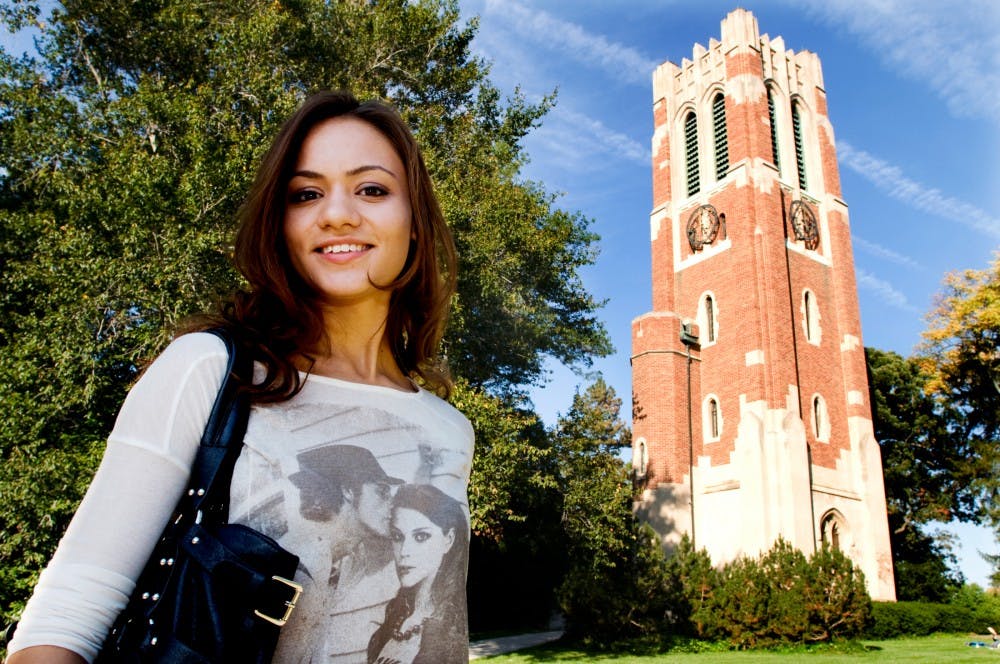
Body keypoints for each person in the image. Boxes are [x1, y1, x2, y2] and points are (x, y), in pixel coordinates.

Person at [6, 90, 475, 664]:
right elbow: (66, 615)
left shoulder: (447, 429)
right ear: (281, 225)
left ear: (416, 226)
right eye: (306, 194)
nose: (336, 213)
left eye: (372, 189)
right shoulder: (209, 370)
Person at [367, 484, 469, 664]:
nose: (404, 551)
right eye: (398, 537)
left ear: (448, 540)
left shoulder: (450, 628)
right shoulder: (397, 616)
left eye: (421, 537)